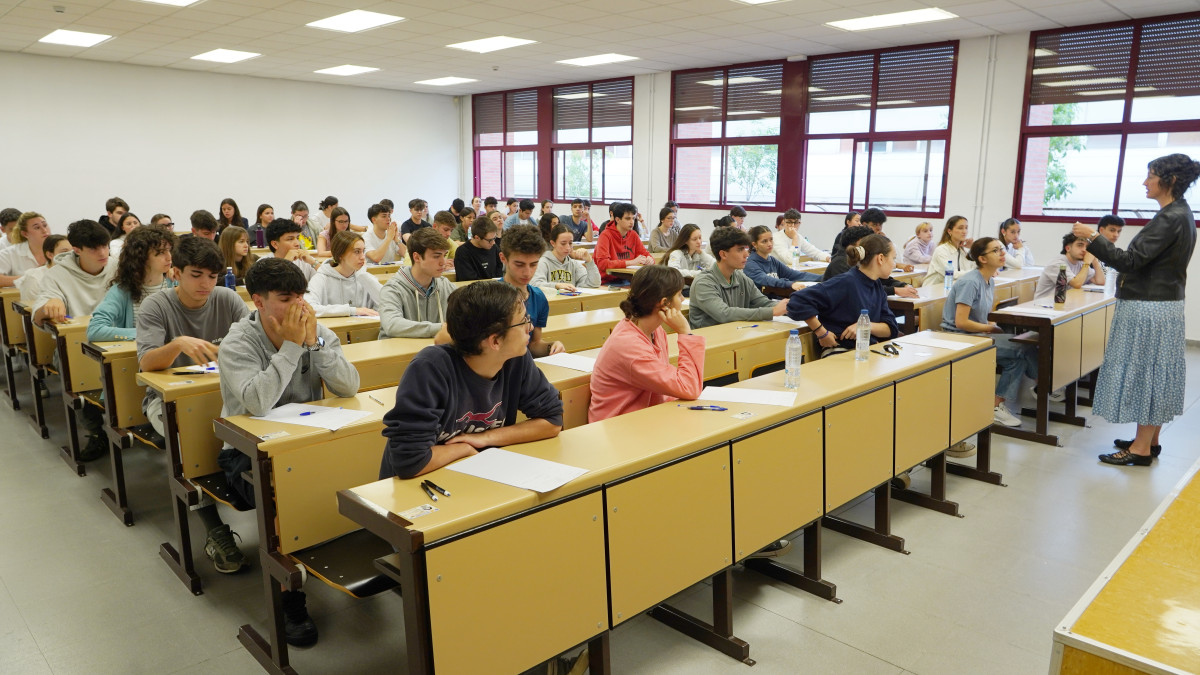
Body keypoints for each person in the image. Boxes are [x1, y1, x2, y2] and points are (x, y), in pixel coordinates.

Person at [218, 257, 359, 646]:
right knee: (287, 502)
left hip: (304, 441)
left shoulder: (314, 329)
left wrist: (314, 343)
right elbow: (257, 402)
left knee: (365, 471)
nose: (298, 306)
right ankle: (289, 596)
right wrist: (294, 347)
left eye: (300, 295)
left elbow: (349, 387)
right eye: (285, 298)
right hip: (247, 453)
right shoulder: (238, 342)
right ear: (258, 301)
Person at [1071, 154, 1199, 466]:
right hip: (1161, 305)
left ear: (1168, 181)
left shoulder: (1170, 218)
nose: (1144, 182)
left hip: (1149, 307)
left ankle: (1140, 449)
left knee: (1146, 372)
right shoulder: (1178, 214)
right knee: (1156, 370)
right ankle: (1149, 440)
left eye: (1150, 176)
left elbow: (1130, 261)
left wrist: (1092, 237)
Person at [379, 280, 563, 479]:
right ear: (495, 341)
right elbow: (410, 461)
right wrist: (464, 449)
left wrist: (485, 438)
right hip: (421, 484)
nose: (531, 326)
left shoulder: (515, 359)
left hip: (474, 472)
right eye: (523, 321)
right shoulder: (430, 369)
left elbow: (552, 420)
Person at [939, 237, 1035, 432]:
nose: (1002, 254)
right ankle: (1044, 384)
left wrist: (991, 325)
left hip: (975, 335)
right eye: (996, 250)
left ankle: (995, 406)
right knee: (1022, 347)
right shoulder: (970, 282)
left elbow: (982, 316)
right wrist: (991, 329)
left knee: (1018, 356)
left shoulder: (989, 280)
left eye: (1001, 249)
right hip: (958, 338)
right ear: (982, 259)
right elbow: (961, 322)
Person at [589, 265, 703, 422]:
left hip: (644, 419)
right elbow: (689, 388)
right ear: (664, 303)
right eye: (679, 295)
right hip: (617, 428)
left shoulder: (655, 331)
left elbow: (671, 386)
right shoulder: (628, 345)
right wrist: (685, 332)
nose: (683, 299)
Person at [787, 234, 899, 359]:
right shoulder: (847, 282)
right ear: (881, 258)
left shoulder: (876, 285)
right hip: (841, 350)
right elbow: (797, 301)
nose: (894, 264)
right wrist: (821, 332)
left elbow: (891, 328)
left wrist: (864, 326)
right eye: (893, 258)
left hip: (866, 350)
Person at [88, 226, 177, 343]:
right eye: (160, 252)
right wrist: (145, 333)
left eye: (169, 250)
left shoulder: (175, 283)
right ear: (141, 257)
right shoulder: (122, 291)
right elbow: (94, 330)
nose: (169, 257)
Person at [688, 226, 787, 329]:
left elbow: (763, 302)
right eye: (740, 250)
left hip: (734, 336)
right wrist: (772, 312)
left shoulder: (741, 277)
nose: (746, 254)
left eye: (746, 248)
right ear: (723, 254)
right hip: (709, 341)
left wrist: (789, 307)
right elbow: (724, 314)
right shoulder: (703, 282)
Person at [32, 219, 115, 327]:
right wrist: (47, 307)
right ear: (76, 250)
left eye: (105, 246)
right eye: (93, 249)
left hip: (119, 336)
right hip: (76, 337)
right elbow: (37, 319)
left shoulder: (119, 268)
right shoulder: (56, 275)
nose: (103, 253)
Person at [377, 228, 455, 339]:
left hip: (434, 352)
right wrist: (443, 328)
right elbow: (392, 325)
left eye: (444, 255)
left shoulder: (446, 285)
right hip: (400, 353)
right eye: (436, 256)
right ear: (417, 257)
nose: (443, 262)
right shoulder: (393, 289)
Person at [500, 225, 565, 357]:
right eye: (519, 264)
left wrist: (551, 346)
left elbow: (533, 344)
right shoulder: (491, 297)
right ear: (503, 258)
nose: (527, 272)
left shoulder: (539, 297)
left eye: (534, 264)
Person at [305, 231, 382, 318]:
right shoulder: (321, 278)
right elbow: (309, 308)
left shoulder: (364, 277)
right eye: (357, 252)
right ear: (340, 255)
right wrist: (353, 310)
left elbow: (387, 303)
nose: (363, 257)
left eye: (363, 251)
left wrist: (363, 275)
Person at [745, 225, 822, 292]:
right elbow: (766, 280)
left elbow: (794, 274)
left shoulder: (772, 260)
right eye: (764, 241)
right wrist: (790, 284)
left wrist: (823, 278)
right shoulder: (750, 264)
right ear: (754, 244)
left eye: (771, 239)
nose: (769, 244)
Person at [594, 202, 653, 284]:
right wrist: (630, 262)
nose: (632, 222)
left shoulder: (633, 235)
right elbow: (603, 264)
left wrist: (650, 259)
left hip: (627, 278)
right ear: (617, 219)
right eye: (628, 219)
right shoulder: (605, 235)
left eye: (633, 218)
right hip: (608, 280)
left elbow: (645, 254)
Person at [1034, 233, 1105, 298]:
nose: (1084, 250)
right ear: (1068, 248)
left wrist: (1094, 260)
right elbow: (1077, 284)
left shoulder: (1080, 263)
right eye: (1080, 245)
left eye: (1086, 247)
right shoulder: (1057, 263)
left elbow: (1100, 282)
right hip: (1044, 306)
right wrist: (1087, 263)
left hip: (1066, 303)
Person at [532, 223, 600, 291]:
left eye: (570, 243)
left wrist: (589, 261)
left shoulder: (573, 264)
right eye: (563, 243)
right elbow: (535, 284)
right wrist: (557, 285)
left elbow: (594, 284)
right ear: (553, 243)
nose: (568, 247)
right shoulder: (543, 262)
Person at [0, 211, 52, 287]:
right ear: (25, 234)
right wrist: (29, 278)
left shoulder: (60, 249)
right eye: (37, 227)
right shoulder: (9, 253)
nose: (44, 230)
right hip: (20, 297)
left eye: (45, 225)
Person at [16, 235, 71, 306]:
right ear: (50, 255)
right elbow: (30, 309)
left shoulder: (76, 274)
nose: (70, 256)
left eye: (73, 252)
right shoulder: (34, 278)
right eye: (64, 252)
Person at [921, 216, 975, 287]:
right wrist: (978, 272)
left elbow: (972, 268)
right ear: (949, 231)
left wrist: (973, 248)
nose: (964, 231)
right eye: (960, 228)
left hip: (953, 287)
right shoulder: (941, 250)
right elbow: (952, 274)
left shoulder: (962, 251)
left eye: (966, 228)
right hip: (933, 289)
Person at [454, 217, 503, 281]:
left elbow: (499, 267)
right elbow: (468, 280)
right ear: (477, 237)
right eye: (490, 240)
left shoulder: (493, 247)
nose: (493, 243)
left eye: (494, 238)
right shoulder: (463, 252)